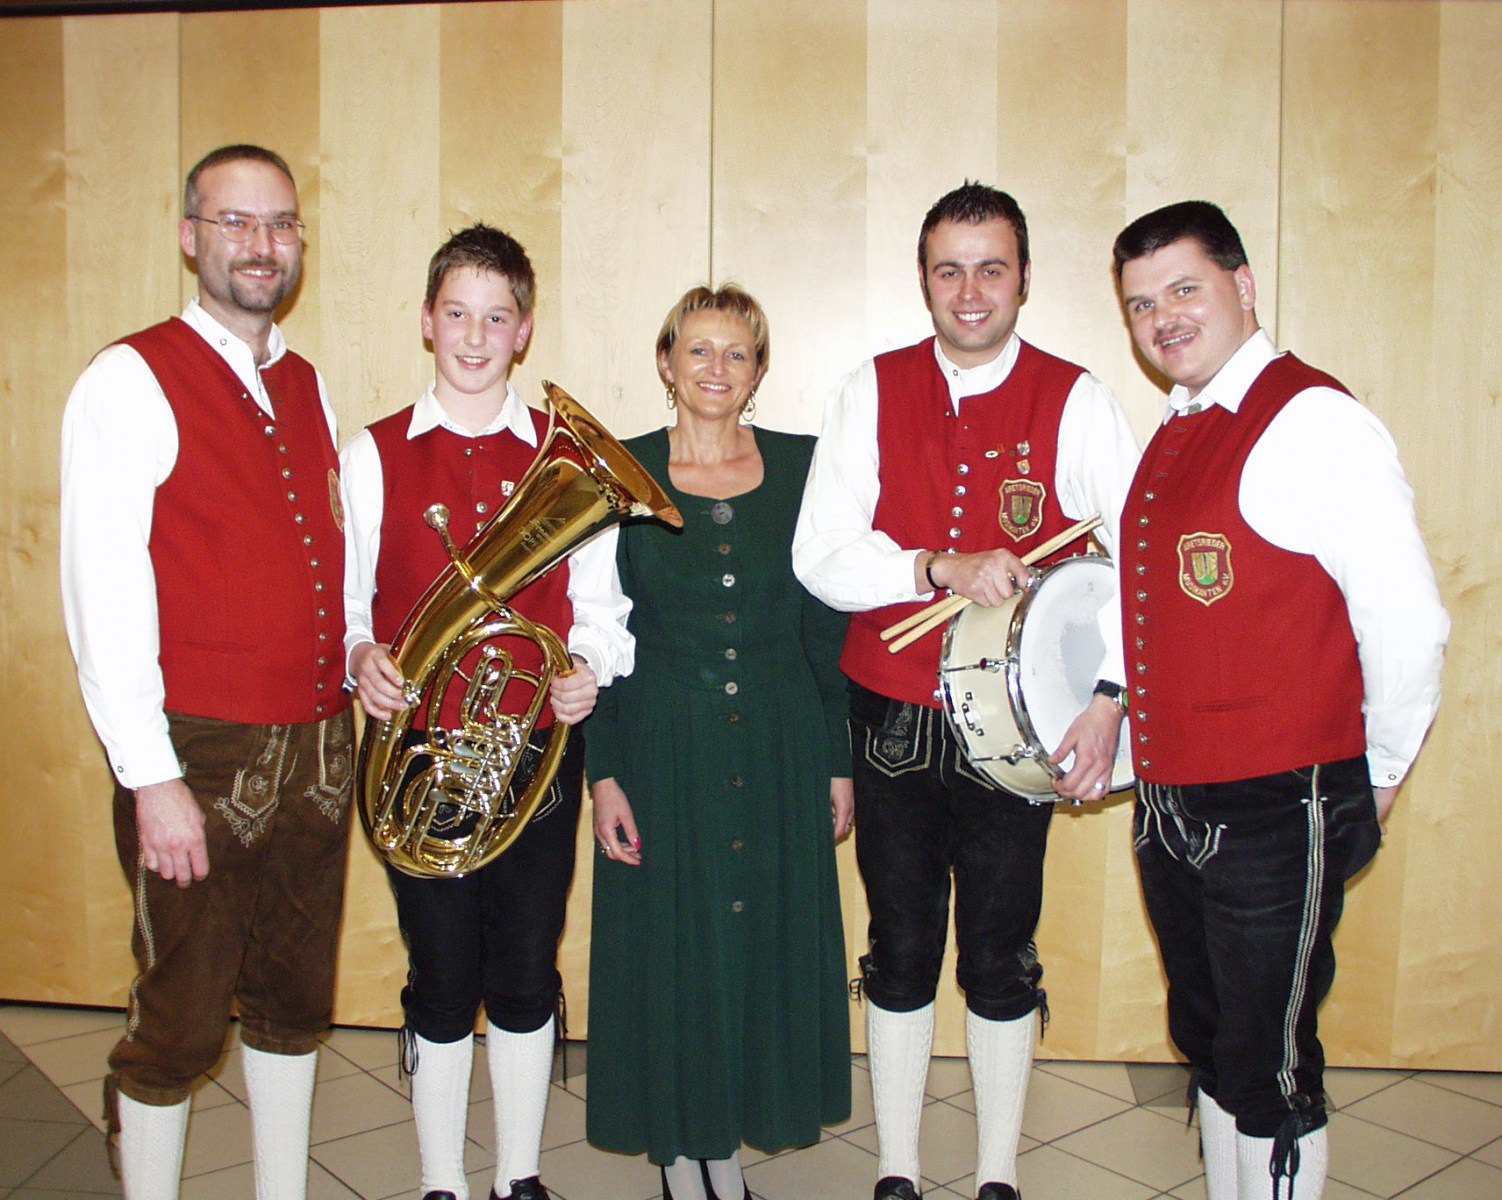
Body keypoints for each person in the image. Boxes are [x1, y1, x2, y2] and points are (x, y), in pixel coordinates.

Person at [792, 182, 1141, 1200]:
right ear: (923, 279)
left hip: (1021, 728)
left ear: (1024, 278)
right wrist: (935, 567)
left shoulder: (1076, 398)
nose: (970, 290)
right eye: (949, 269)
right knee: (899, 947)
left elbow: (1139, 560)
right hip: (892, 714)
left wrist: (1109, 698)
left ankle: (996, 1175)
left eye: (991, 268)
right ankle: (897, 1167)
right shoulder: (869, 388)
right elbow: (820, 554)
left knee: (999, 952)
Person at [1111, 201, 1448, 1200]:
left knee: (1270, 1065)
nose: (1163, 318)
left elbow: (1407, 619)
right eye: (1140, 304)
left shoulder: (1314, 421)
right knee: (1213, 1041)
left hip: (1275, 801)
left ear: (1244, 285)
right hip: (1172, 799)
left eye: (1184, 288)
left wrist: (1376, 774)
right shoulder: (1181, 422)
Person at [60, 145, 351, 1200]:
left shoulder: (307, 382)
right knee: (182, 1019)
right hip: (200, 752)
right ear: (190, 238)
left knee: (292, 1003)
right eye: (235, 222)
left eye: (279, 223)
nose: (260, 245)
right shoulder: (130, 377)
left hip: (320, 748)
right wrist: (150, 776)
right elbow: (101, 587)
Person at [342, 223, 633, 1200]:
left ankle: (517, 1175)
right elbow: (346, 603)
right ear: (427, 322)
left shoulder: (567, 463)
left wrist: (585, 667)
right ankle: (441, 1179)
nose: (475, 336)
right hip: (417, 753)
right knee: (439, 973)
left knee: (525, 967)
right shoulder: (374, 453)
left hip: (534, 753)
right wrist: (361, 657)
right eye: (457, 314)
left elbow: (601, 611)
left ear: (524, 330)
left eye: (496, 318)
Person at [586, 284, 852, 1200]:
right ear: (665, 363)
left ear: (759, 370)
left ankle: (726, 1144)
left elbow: (824, 625)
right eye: (697, 350)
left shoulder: (805, 465)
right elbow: (597, 628)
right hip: (662, 739)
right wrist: (604, 773)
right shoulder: (618, 471)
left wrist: (837, 761)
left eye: (737, 353)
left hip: (780, 738)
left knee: (756, 943)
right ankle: (679, 1148)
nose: (716, 369)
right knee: (675, 946)